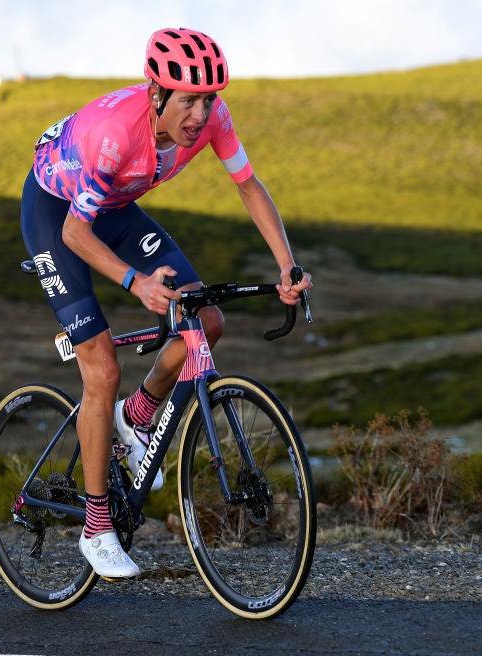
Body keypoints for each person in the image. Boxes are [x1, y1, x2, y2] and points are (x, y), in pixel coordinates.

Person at [21, 27, 312, 578]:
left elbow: (249, 186)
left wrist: (285, 265)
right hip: (56, 214)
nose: (200, 115)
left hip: (114, 206)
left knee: (205, 320)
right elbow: (76, 235)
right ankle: (97, 525)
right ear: (157, 94)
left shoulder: (214, 120)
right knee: (102, 369)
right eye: (188, 101)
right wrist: (137, 283)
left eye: (208, 99)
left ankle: (139, 414)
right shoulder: (115, 133)